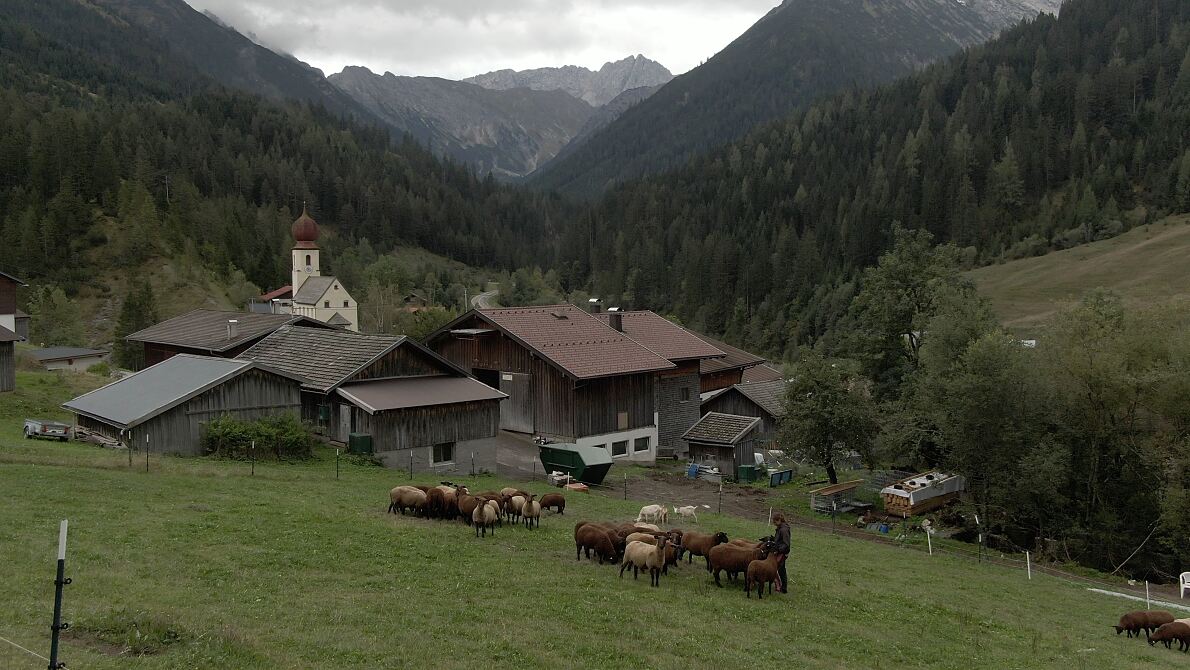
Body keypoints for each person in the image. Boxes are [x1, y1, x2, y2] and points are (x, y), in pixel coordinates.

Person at [772, 512, 791, 594]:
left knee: (777, 568)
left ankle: (780, 587)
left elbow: (786, 544)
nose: (774, 523)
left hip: (782, 552)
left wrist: (778, 550)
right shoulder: (780, 528)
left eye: (775, 521)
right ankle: (783, 587)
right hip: (781, 551)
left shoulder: (784, 530)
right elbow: (779, 540)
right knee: (781, 569)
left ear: (779, 520)